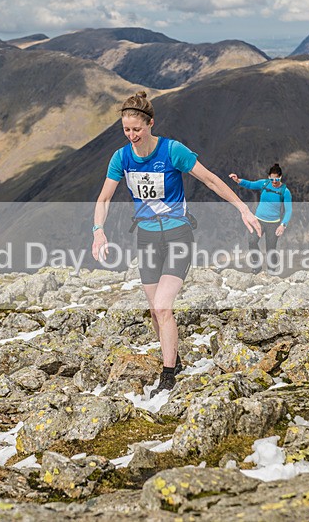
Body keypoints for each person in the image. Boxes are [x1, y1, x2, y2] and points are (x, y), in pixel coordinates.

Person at [92, 91, 261, 398]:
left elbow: (209, 179)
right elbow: (104, 198)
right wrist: (98, 231)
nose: (131, 135)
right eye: (126, 130)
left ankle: (168, 375)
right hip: (146, 237)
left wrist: (243, 208)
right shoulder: (121, 157)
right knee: (156, 312)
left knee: (162, 305)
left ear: (150, 123)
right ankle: (174, 357)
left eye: (137, 129)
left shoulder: (172, 151)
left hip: (177, 234)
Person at [228, 164, 292, 273]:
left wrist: (283, 225)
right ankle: (257, 266)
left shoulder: (285, 191)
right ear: (269, 177)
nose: (274, 181)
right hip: (259, 220)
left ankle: (271, 272)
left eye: (276, 179)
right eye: (272, 179)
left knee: (270, 250)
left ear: (280, 177)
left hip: (273, 223)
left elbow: (289, 210)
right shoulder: (264, 183)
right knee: (252, 242)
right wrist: (238, 180)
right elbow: (250, 184)